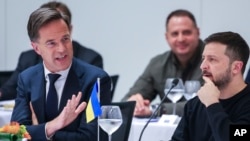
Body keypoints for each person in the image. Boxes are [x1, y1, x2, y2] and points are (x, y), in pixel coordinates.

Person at [11, 7, 111, 141]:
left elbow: (92, 138)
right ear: (36, 48)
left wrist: (40, 131)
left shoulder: (95, 80)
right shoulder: (27, 79)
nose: (62, 49)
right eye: (51, 43)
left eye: (65, 39)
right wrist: (54, 125)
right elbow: (15, 134)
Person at [0, 1, 103, 101]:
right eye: (51, 43)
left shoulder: (90, 60)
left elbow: (93, 106)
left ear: (69, 29)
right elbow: (10, 89)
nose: (61, 49)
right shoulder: (28, 59)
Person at [121, 9, 204, 117]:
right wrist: (135, 102)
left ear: (197, 32)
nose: (181, 39)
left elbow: (203, 104)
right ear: (167, 37)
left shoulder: (214, 60)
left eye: (186, 32)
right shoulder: (157, 64)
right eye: (175, 34)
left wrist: (156, 110)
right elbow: (126, 101)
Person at [171, 31, 250, 141]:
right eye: (203, 59)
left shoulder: (209, 102)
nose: (203, 66)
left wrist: (212, 104)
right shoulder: (194, 105)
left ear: (236, 67)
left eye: (212, 59)